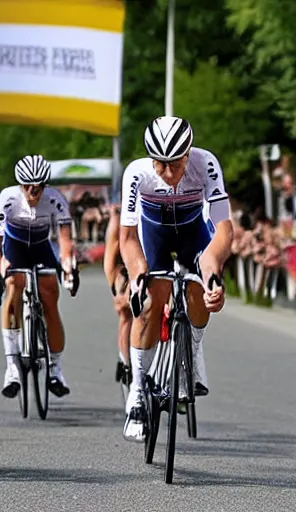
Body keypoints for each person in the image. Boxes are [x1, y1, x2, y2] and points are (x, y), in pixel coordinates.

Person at [120, 116, 233, 441]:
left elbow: (223, 227)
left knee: (202, 294)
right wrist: (138, 274)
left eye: (177, 163)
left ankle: (193, 353)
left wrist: (212, 270)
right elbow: (127, 238)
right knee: (147, 305)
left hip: (192, 232)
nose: (169, 173)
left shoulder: (205, 162)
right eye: (162, 165)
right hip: (153, 234)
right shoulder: (136, 173)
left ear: (188, 153)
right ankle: (138, 393)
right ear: (151, 159)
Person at [0, 155, 76, 399]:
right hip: (14, 247)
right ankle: (12, 367)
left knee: (50, 296)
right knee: (14, 286)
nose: (31, 191)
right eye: (26, 185)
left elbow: (65, 241)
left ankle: (56, 368)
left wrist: (68, 265)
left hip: (41, 247)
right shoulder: (8, 198)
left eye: (36, 187)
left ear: (44, 185)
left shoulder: (56, 199)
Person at [103, 204, 132, 391]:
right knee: (125, 311)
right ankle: (126, 361)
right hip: (123, 265)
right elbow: (110, 256)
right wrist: (116, 288)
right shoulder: (119, 220)